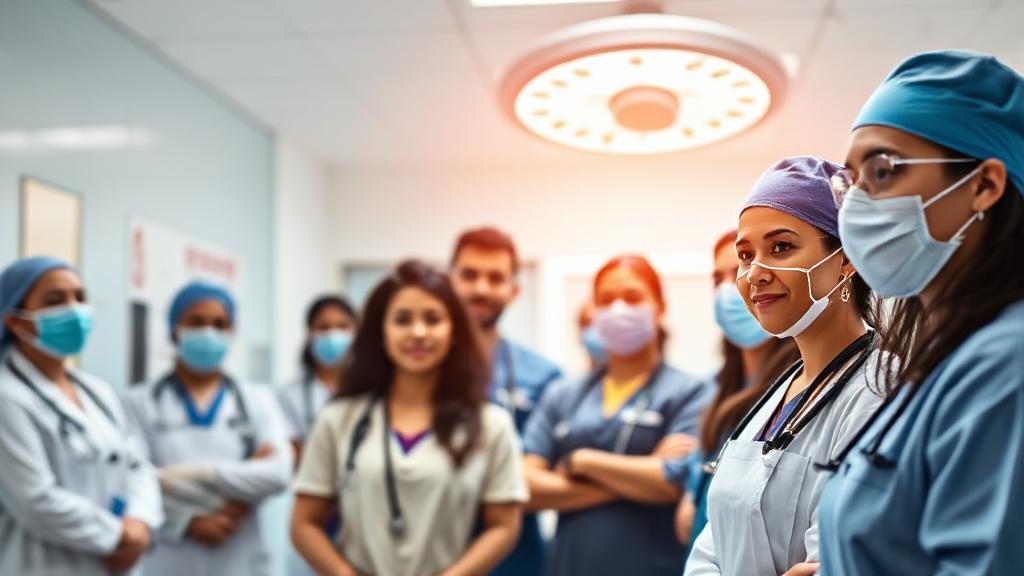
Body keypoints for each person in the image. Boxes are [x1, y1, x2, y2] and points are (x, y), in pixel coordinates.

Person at [814, 50, 1024, 576]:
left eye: (883, 170)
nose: (858, 203)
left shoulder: (1008, 366)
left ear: (984, 185)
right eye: (851, 181)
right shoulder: (938, 364)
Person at [685, 157, 885, 576]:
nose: (753, 273)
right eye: (745, 254)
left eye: (780, 247)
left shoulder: (880, 390)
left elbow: (836, 560)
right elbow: (710, 547)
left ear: (846, 259)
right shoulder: (776, 396)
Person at [291, 260, 527, 576]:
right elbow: (304, 523)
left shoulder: (491, 425)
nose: (418, 333)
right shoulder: (338, 419)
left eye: (433, 320)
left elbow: (504, 527)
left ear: (454, 329)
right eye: (402, 320)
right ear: (380, 331)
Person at [523, 254, 712, 576]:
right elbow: (525, 486)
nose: (619, 308)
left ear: (660, 306)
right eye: (606, 300)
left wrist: (581, 462)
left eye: (633, 297)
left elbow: (670, 484)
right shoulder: (563, 394)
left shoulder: (690, 392)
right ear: (593, 312)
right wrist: (636, 476)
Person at [0, 256, 163, 576]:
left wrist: (140, 523)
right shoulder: (7, 398)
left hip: (115, 561)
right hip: (41, 564)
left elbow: (139, 465)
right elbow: (35, 501)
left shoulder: (97, 390)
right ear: (16, 322)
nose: (74, 310)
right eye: (55, 300)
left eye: (80, 297)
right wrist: (118, 536)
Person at [123, 280, 292, 576]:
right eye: (197, 322)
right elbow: (132, 480)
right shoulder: (137, 403)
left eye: (220, 324)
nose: (209, 332)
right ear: (175, 328)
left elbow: (278, 473)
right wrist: (188, 520)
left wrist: (188, 475)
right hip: (171, 559)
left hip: (242, 559)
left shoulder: (257, 400)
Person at [666, 230, 799, 549]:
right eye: (718, 278)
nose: (730, 287)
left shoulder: (797, 387)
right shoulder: (715, 389)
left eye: (743, 267)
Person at [449, 226, 561, 575]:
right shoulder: (415, 372)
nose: (481, 288)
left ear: (514, 291)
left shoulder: (544, 377)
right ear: (448, 281)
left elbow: (546, 483)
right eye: (469, 275)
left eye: (495, 277)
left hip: (515, 560)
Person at [277, 294, 359, 461]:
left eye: (342, 326)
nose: (333, 335)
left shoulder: (370, 390)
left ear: (356, 332)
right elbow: (291, 454)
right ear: (309, 334)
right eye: (323, 327)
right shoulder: (288, 395)